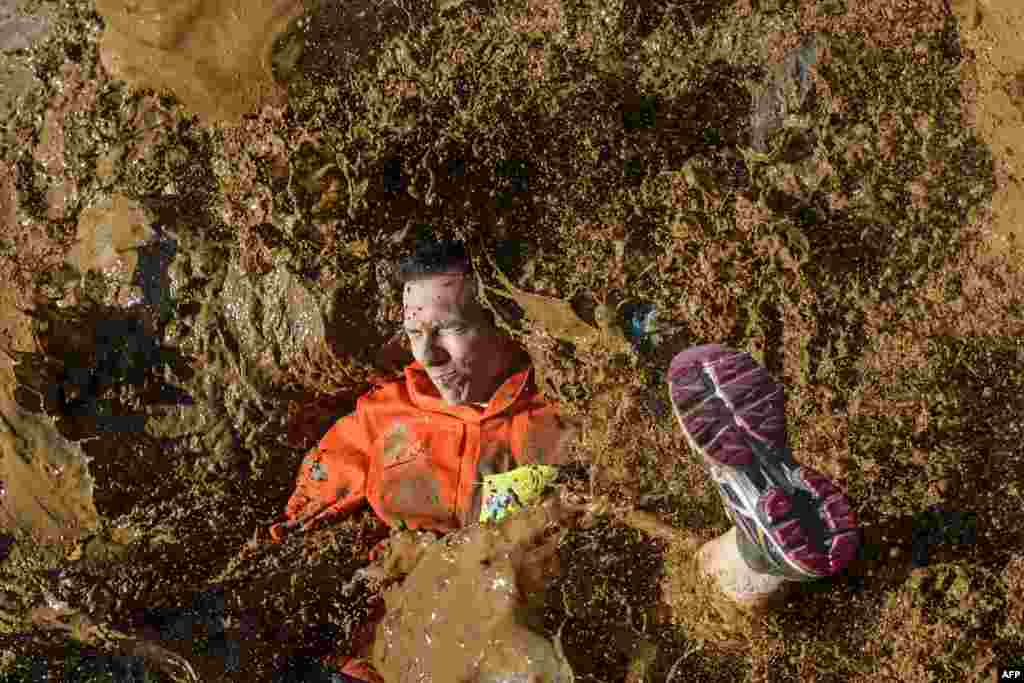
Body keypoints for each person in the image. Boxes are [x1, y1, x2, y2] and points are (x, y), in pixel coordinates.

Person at [266, 238, 861, 682]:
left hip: (550, 625)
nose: (428, 355)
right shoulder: (379, 420)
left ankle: (758, 553)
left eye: (448, 330)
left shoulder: (565, 414)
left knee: (660, 594)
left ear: (501, 326)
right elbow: (294, 551)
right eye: (414, 332)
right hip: (410, 644)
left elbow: (635, 509)